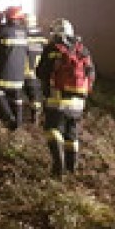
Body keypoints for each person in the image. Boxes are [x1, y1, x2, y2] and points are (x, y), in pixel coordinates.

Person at [37, 18, 96, 178]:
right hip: (79, 101)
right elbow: (91, 73)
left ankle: (59, 167)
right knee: (71, 134)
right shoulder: (82, 49)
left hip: (58, 98)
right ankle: (72, 169)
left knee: (52, 130)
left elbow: (41, 72)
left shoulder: (52, 49)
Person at [0, 6, 28, 131]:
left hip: (3, 74)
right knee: (17, 98)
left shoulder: (3, 31)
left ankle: (9, 118)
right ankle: (19, 123)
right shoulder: (24, 33)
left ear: (8, 17)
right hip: (19, 76)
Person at [24, 13, 48, 124]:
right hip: (37, 72)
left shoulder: (22, 36)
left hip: (23, 72)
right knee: (36, 96)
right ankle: (35, 118)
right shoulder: (43, 37)